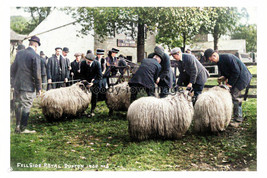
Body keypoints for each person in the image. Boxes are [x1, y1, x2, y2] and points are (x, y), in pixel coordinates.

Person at [204, 48, 252, 127]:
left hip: (242, 78)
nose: (211, 61)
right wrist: (223, 78)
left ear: (214, 55)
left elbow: (236, 71)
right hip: (236, 78)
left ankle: (238, 119)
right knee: (231, 95)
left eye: (211, 59)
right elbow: (227, 72)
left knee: (234, 96)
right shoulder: (219, 62)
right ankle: (233, 115)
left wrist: (229, 84)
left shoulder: (228, 58)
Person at [11, 36, 42, 133]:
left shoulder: (19, 53)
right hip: (28, 86)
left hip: (17, 85)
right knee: (26, 106)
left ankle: (17, 126)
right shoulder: (35, 56)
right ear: (36, 45)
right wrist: (39, 88)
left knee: (18, 105)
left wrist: (13, 83)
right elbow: (37, 74)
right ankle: (23, 129)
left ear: (30, 43)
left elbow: (12, 70)